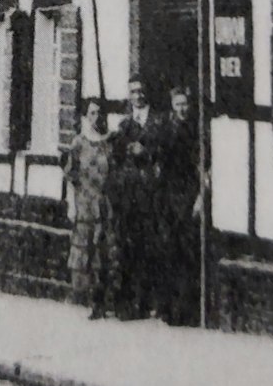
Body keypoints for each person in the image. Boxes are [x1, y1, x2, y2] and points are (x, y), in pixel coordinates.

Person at [108, 80, 164, 319]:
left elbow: (165, 152)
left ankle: (151, 302)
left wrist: (147, 152)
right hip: (130, 196)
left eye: (141, 91)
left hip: (153, 194)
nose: (137, 96)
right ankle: (131, 304)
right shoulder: (124, 124)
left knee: (151, 247)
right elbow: (117, 161)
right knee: (129, 247)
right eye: (133, 92)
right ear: (128, 96)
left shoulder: (158, 122)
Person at [64, 99, 118, 319]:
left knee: (105, 253)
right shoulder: (78, 144)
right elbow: (70, 177)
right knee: (87, 253)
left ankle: (104, 300)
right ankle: (92, 302)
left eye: (100, 113)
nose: (97, 117)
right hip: (85, 205)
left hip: (105, 206)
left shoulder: (110, 143)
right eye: (93, 113)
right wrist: (71, 205)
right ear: (86, 117)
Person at [157, 86, 201, 325]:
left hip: (188, 193)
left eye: (185, 104)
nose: (182, 109)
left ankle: (184, 311)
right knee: (168, 249)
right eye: (177, 105)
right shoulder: (165, 130)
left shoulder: (196, 130)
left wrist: (199, 197)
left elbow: (201, 165)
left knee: (186, 252)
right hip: (168, 194)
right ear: (172, 107)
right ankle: (168, 308)